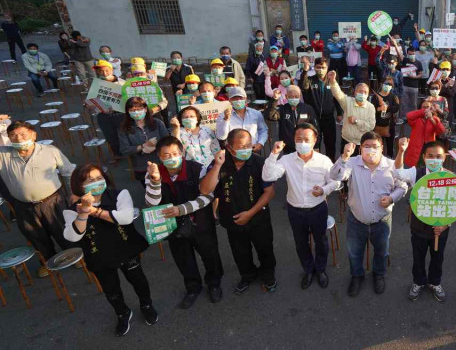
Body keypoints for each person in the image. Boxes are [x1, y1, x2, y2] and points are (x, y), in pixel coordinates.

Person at [63, 164, 155, 336]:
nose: (96, 182)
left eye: (99, 178)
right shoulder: (72, 209)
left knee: (138, 280)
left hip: (126, 248)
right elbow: (72, 236)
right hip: (99, 256)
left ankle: (146, 304)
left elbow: (126, 218)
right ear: (79, 185)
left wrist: (95, 211)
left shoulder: (119, 194)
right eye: (90, 181)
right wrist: (83, 213)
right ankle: (122, 313)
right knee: (111, 289)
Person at [144, 137, 220, 308]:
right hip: (174, 227)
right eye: (166, 155)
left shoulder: (197, 168)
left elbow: (208, 196)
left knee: (210, 255)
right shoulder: (153, 173)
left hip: (200, 224)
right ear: (159, 156)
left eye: (175, 153)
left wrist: (182, 209)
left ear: (182, 153)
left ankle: (214, 284)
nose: (172, 157)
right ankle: (193, 288)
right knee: (183, 259)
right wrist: (155, 180)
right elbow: (151, 203)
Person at [262, 125, 340, 289]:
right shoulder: (286, 159)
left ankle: (320, 269)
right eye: (299, 139)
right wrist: (274, 153)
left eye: (307, 139)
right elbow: (268, 176)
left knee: (321, 241)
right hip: (295, 210)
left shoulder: (323, 160)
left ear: (315, 140)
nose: (303, 143)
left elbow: (335, 181)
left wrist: (324, 190)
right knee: (301, 243)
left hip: (318, 208)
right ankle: (308, 270)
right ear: (293, 140)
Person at [330, 132, 408, 297]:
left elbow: (403, 186)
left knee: (382, 250)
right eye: (366, 146)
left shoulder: (392, 165)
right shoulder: (351, 163)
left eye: (375, 147)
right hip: (356, 220)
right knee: (354, 252)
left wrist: (392, 198)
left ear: (382, 148)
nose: (371, 150)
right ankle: (357, 276)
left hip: (382, 220)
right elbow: (335, 176)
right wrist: (344, 156)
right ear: (360, 149)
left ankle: (378, 274)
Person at [199, 130, 277, 294]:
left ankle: (268, 276)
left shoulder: (258, 162)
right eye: (241, 146)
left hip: (258, 218)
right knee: (240, 252)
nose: (246, 149)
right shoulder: (219, 163)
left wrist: (250, 213)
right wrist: (218, 165)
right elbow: (205, 190)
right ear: (229, 147)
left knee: (265, 249)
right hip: (232, 220)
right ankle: (247, 275)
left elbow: (269, 192)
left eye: (249, 145)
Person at [0, 121, 76, 278]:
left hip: (53, 201)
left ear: (33, 135)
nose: (19, 139)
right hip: (23, 206)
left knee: (62, 230)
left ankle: (73, 256)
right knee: (35, 235)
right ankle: (48, 261)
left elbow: (68, 171)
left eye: (23, 134)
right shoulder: (3, 155)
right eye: (13, 136)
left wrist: (72, 193)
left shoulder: (49, 151)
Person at [394, 138, 453, 302]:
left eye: (438, 156)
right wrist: (401, 151)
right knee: (418, 257)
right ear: (424, 157)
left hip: (440, 228)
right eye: (430, 156)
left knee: (438, 257)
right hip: (419, 227)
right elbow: (398, 172)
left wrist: (445, 224)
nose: (435, 160)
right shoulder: (416, 173)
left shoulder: (450, 178)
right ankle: (418, 282)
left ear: (444, 157)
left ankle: (435, 282)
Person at [300, 58, 343, 161]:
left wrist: (339, 113)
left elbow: (337, 97)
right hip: (313, 118)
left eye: (323, 67)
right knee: (315, 142)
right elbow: (303, 85)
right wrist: (305, 71)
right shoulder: (310, 80)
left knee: (330, 143)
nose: (320, 70)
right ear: (314, 68)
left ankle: (330, 164)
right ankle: (315, 164)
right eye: (318, 67)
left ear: (327, 68)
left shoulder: (332, 81)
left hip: (328, 117)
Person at [117, 97, 169, 183]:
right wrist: (143, 146)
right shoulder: (123, 129)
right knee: (151, 192)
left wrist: (156, 145)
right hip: (141, 167)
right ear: (128, 112)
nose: (136, 112)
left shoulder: (157, 123)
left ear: (145, 109)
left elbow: (167, 142)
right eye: (132, 110)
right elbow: (124, 150)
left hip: (162, 163)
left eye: (139, 109)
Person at [328, 71, 377, 153]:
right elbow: (338, 94)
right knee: (345, 164)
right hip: (347, 141)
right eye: (360, 91)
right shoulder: (348, 102)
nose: (362, 94)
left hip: (362, 143)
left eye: (365, 92)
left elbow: (371, 126)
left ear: (368, 95)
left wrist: (357, 121)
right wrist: (333, 81)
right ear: (355, 92)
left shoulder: (370, 107)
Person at [267, 85, 319, 154]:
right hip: (288, 148)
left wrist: (316, 146)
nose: (294, 98)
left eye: (296, 96)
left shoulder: (308, 108)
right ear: (286, 96)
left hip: (305, 145)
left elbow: (316, 128)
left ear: (300, 96)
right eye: (291, 97)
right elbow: (270, 116)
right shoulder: (282, 109)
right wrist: (274, 100)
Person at [215, 87, 268, 154]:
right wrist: (226, 120)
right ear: (230, 100)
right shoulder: (222, 116)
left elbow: (263, 130)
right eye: (234, 98)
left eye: (240, 98)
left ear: (245, 98)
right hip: (234, 152)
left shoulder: (256, 113)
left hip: (253, 150)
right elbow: (221, 136)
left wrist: (260, 143)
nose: (238, 100)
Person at [92, 60, 125, 163]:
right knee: (110, 135)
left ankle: (129, 153)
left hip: (120, 114)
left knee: (125, 133)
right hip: (104, 115)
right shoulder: (96, 84)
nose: (104, 73)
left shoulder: (122, 83)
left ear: (111, 70)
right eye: (100, 71)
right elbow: (92, 100)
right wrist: (90, 104)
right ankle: (117, 154)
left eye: (106, 70)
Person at [405, 100, 446, 167]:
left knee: (428, 169)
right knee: (412, 170)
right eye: (424, 107)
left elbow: (441, 131)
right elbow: (409, 116)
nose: (426, 109)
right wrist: (424, 111)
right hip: (415, 149)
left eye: (428, 107)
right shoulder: (416, 119)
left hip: (429, 149)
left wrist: (431, 118)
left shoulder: (435, 119)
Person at [371, 77, 401, 157]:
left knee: (390, 146)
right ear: (381, 84)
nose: (387, 86)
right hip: (377, 125)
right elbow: (371, 110)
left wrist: (388, 108)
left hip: (390, 126)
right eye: (386, 83)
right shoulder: (375, 97)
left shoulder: (394, 97)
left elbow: (396, 109)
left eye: (390, 84)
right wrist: (379, 109)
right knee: (377, 146)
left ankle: (390, 161)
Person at [398, 46, 424, 119]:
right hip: (405, 85)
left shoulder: (418, 63)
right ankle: (404, 117)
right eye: (410, 54)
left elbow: (421, 74)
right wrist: (396, 45)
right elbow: (399, 54)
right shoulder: (405, 60)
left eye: (413, 54)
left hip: (414, 87)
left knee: (414, 104)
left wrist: (414, 77)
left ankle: (414, 117)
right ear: (407, 54)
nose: (411, 55)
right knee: (404, 103)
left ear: (415, 53)